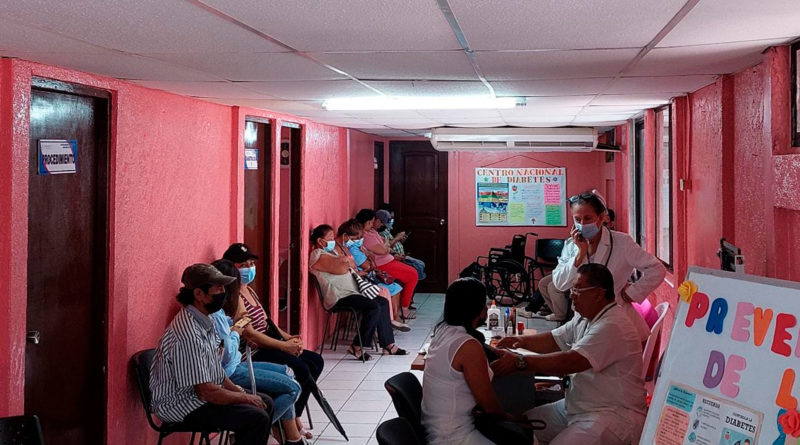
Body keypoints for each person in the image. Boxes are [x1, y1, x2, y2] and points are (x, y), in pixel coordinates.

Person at [493, 264, 647, 445]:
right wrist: (517, 342)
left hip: (610, 415)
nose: (571, 294)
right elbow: (554, 339)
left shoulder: (613, 325)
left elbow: (572, 361)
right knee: (519, 427)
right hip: (577, 406)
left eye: (577, 289)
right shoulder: (584, 316)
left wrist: (520, 362)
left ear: (598, 293)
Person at [149, 264, 273, 445]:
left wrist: (238, 392)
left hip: (198, 395)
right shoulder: (187, 334)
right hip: (182, 405)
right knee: (256, 418)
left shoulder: (204, 320)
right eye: (219, 288)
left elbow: (216, 373)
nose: (224, 293)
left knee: (265, 402)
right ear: (199, 294)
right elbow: (206, 392)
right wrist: (244, 397)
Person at [222, 243, 323, 439]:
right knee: (299, 369)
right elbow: (249, 334)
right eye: (243, 264)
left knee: (315, 361)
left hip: (269, 340)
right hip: (254, 350)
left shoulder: (250, 291)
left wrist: (289, 338)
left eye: (251, 263)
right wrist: (284, 346)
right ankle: (279, 425)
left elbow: (267, 322)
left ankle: (294, 415)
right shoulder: (233, 296)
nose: (249, 268)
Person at [209, 259, 307, 445]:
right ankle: (260, 431)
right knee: (293, 386)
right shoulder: (217, 313)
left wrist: (239, 326)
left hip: (237, 363)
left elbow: (248, 322)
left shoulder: (229, 306)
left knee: (290, 371)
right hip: (230, 370)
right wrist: (238, 331)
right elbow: (231, 346)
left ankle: (289, 435)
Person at [552, 190, 666, 341]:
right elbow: (560, 284)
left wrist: (633, 293)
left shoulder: (621, 242)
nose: (582, 224)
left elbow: (657, 269)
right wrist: (579, 255)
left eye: (588, 218)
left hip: (619, 322)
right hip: (584, 322)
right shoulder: (571, 246)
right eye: (577, 219)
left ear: (600, 218)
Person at [422, 277, 511, 445]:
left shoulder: (442, 331)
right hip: (455, 438)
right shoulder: (468, 346)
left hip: (436, 429)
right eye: (484, 304)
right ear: (475, 309)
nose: (486, 309)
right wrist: (513, 419)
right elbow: (491, 408)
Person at [309, 224, 408, 360]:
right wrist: (346, 261)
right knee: (373, 307)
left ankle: (388, 345)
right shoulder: (317, 254)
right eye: (330, 238)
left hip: (352, 292)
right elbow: (342, 269)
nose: (333, 240)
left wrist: (346, 261)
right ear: (320, 241)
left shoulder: (332, 253)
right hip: (339, 296)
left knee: (382, 302)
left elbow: (352, 264)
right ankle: (357, 346)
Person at [340, 218, 409, 331]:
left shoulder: (362, 244)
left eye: (360, 238)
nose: (360, 240)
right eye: (356, 238)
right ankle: (387, 323)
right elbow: (368, 266)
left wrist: (369, 255)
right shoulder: (353, 249)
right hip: (362, 281)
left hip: (368, 276)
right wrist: (369, 256)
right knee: (384, 292)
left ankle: (393, 318)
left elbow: (378, 255)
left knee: (395, 286)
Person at [355, 208, 418, 321]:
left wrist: (386, 246)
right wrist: (386, 245)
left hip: (389, 260)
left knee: (415, 268)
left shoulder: (372, 232)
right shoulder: (364, 235)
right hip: (382, 265)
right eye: (371, 221)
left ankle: (402, 308)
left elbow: (387, 244)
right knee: (412, 274)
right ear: (368, 221)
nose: (373, 223)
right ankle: (404, 308)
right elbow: (383, 249)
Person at [375, 208, 427, 281]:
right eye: (390, 219)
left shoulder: (387, 230)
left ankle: (415, 280)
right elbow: (388, 246)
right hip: (394, 258)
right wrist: (397, 238)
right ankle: (415, 280)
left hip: (399, 255)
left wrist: (400, 240)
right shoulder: (379, 233)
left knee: (421, 264)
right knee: (418, 265)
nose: (391, 221)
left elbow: (391, 243)